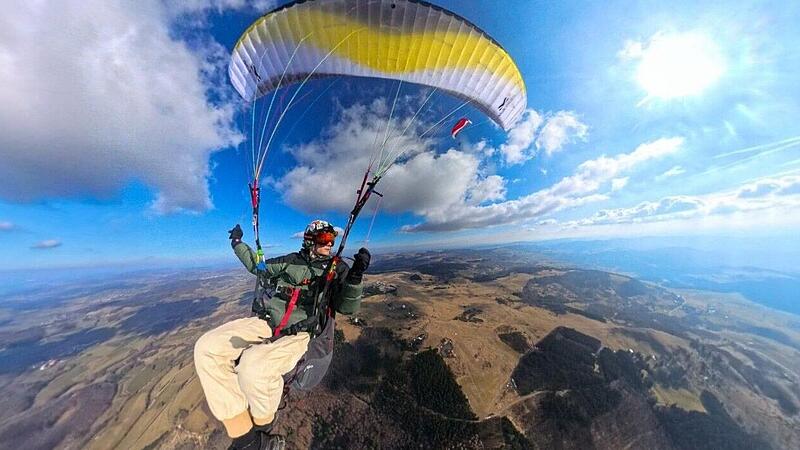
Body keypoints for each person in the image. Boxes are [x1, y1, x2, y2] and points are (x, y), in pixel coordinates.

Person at [193, 220, 370, 450]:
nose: (330, 244)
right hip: (267, 323)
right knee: (207, 348)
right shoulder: (290, 261)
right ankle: (248, 438)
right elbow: (258, 266)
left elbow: (347, 307)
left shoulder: (336, 269)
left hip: (301, 333)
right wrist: (237, 243)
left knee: (252, 367)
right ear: (310, 241)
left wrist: (355, 278)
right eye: (325, 239)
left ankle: (260, 430)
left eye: (332, 240)